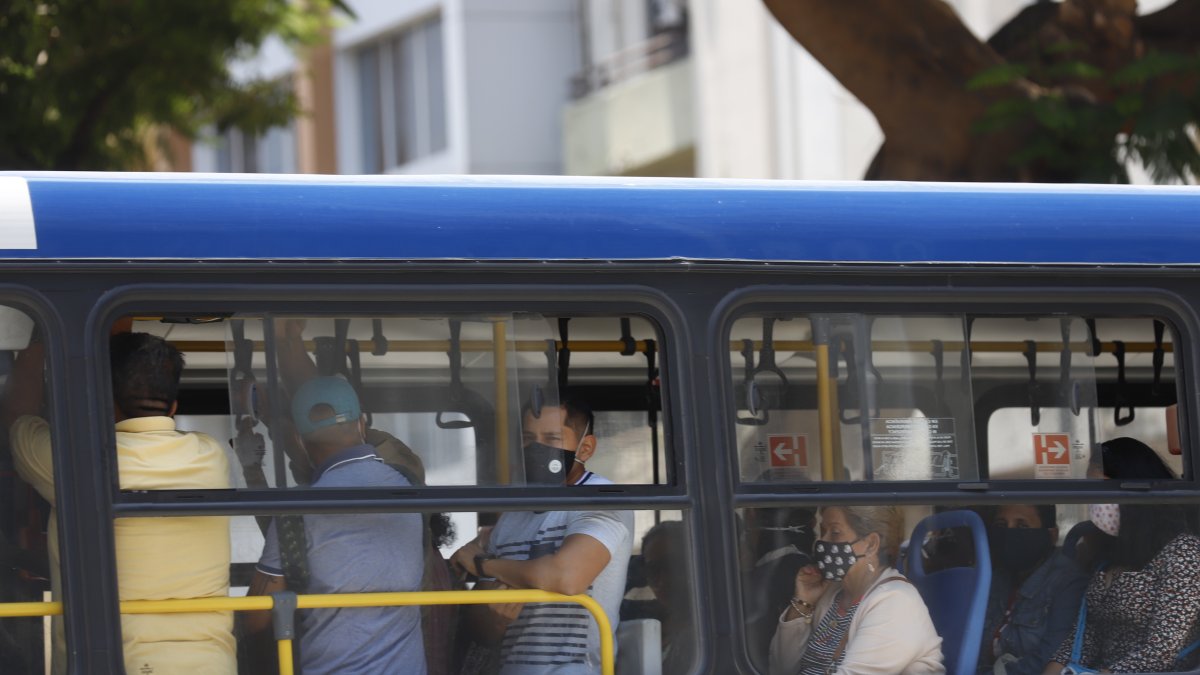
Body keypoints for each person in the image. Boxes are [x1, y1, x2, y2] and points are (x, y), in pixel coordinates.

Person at [2, 329, 235, 674]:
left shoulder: (75, 461)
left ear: (102, 401)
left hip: (116, 663)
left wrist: (40, 338)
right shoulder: (211, 457)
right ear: (173, 406)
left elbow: (17, 419)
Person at [243, 376, 426, 674]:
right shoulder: (410, 485)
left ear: (301, 442)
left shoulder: (296, 511)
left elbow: (256, 617)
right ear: (362, 424)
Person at [451, 397, 634, 674]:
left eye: (552, 438)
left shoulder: (600, 499)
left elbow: (567, 577)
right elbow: (479, 628)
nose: (536, 449)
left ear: (585, 447)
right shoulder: (513, 516)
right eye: (528, 439)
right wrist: (498, 620)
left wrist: (481, 563)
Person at [1045, 437, 1200, 673]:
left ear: (1137, 488)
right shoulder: (1111, 550)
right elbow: (1088, 635)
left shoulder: (1183, 553)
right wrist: (1055, 668)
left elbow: (1163, 651)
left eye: (1104, 488)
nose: (1096, 502)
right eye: (1091, 489)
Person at [769, 505, 944, 675]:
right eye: (823, 532)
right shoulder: (833, 593)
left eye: (835, 532)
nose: (822, 542)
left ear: (871, 544)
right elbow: (781, 669)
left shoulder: (896, 602)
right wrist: (803, 603)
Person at [977, 504, 1086, 675]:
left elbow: (1052, 656)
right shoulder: (995, 578)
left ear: (1051, 535)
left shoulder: (1067, 582)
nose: (1009, 534)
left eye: (1022, 526)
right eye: (1001, 525)